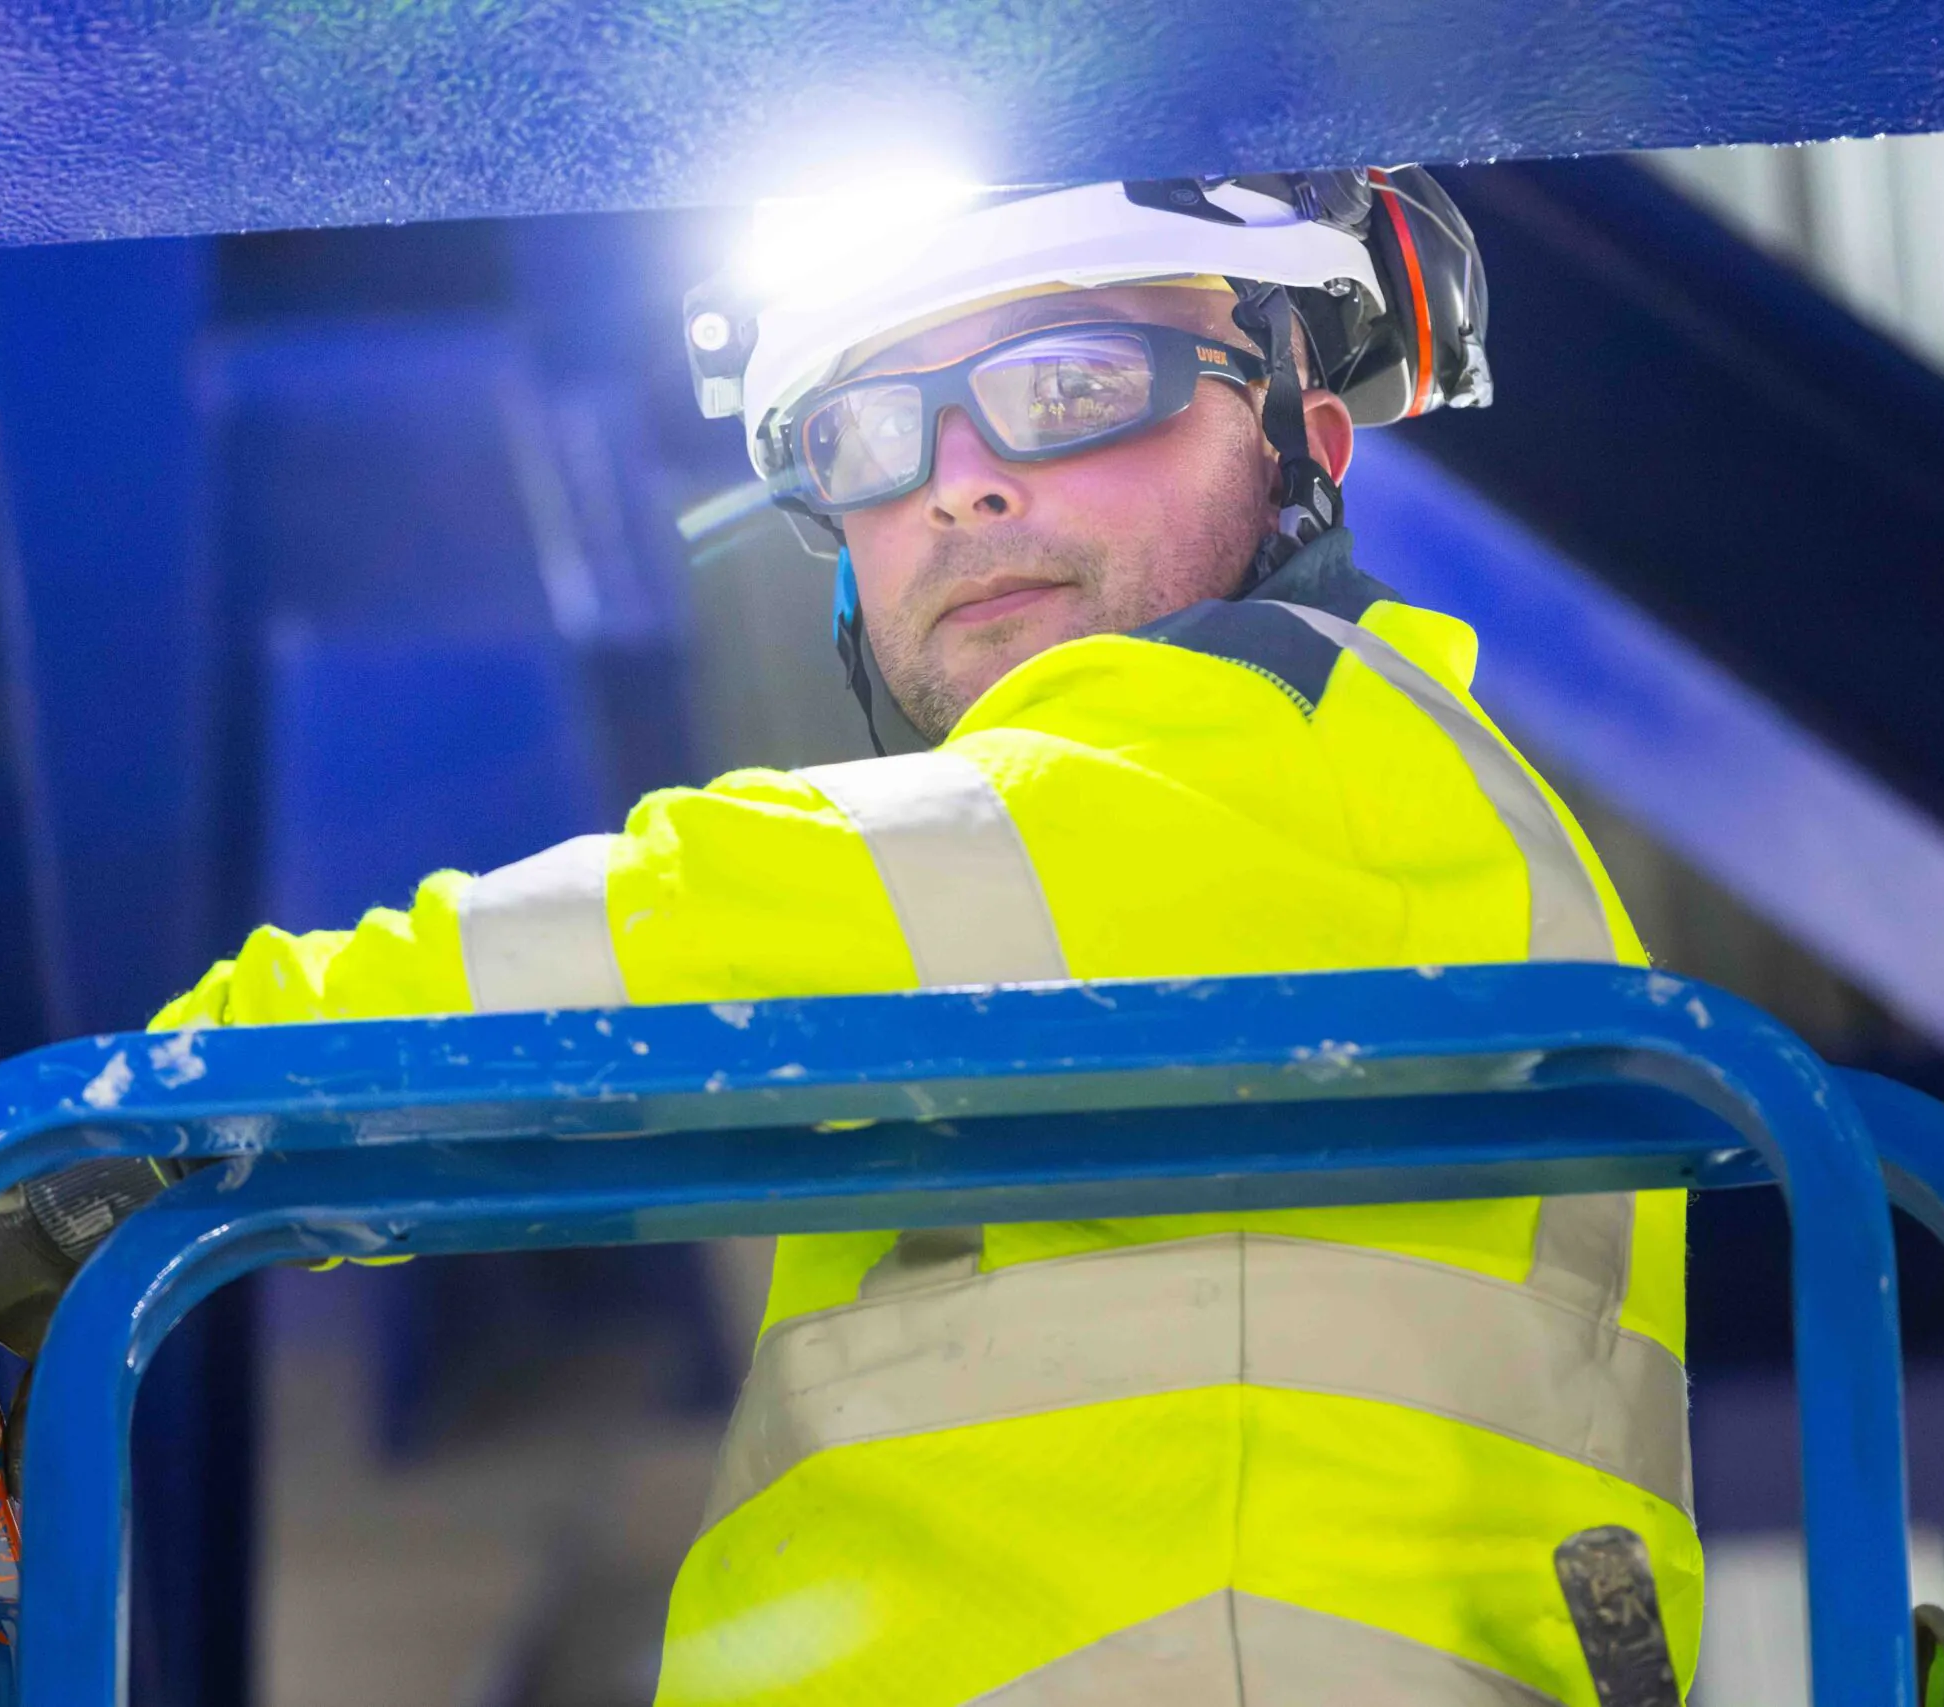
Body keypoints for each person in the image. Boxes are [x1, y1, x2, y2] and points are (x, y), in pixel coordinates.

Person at [152, 172, 1696, 1706]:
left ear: (1306, 445)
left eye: (1073, 382)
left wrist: (131, 1119)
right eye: (872, 434)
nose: (959, 482)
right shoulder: (1152, 897)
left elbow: (682, 936)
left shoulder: (1279, 759)